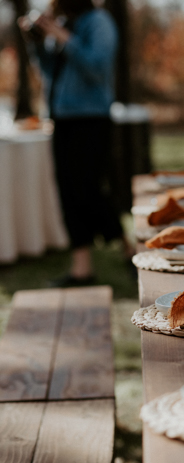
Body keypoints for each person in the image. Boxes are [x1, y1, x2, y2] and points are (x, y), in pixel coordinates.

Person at [20, 0, 129, 287]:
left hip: (91, 118)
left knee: (89, 188)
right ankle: (82, 268)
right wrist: (36, 43)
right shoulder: (65, 24)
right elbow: (47, 72)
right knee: (67, 191)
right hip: (62, 117)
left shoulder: (98, 22)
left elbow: (98, 67)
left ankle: (128, 247)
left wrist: (62, 36)